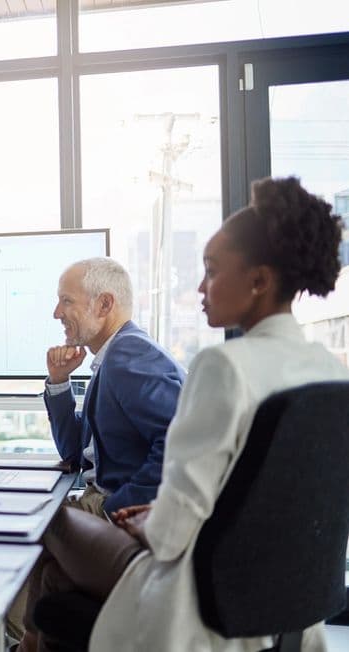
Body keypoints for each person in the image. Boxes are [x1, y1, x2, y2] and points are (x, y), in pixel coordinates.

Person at [25, 176, 348, 652]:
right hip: (282, 590)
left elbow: (174, 531)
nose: (200, 286)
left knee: (47, 518)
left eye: (213, 270)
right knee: (55, 577)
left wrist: (141, 518)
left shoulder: (223, 365)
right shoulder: (327, 369)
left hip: (195, 586)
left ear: (258, 281)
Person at [44, 257, 185, 517]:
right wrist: (59, 381)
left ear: (104, 304)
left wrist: (118, 509)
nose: (57, 313)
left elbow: (181, 442)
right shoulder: (112, 357)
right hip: (97, 498)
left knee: (15, 534)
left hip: (113, 506)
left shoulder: (129, 354)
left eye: (67, 301)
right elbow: (74, 452)